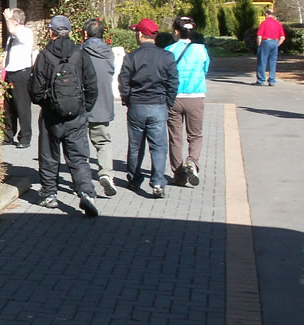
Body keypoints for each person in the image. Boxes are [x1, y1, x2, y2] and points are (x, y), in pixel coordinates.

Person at [29, 15, 99, 216]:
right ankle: (86, 192)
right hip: (76, 115)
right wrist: (83, 107)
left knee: (49, 156)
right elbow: (92, 85)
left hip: (51, 116)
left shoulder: (44, 56)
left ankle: (49, 194)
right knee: (78, 157)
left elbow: (35, 90)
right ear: (69, 32)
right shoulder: (80, 54)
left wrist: (47, 104)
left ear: (51, 32)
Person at [118, 18, 178, 199]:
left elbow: (124, 82)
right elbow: (173, 82)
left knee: (135, 146)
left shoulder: (131, 57)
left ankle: (134, 179)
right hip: (158, 105)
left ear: (139, 34)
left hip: (137, 105)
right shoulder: (167, 56)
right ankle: (158, 181)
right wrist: (168, 102)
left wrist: (127, 100)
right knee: (158, 146)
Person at [165, 16, 210, 187]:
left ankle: (179, 174)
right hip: (195, 96)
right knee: (195, 135)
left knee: (175, 137)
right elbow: (205, 69)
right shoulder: (201, 50)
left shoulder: (169, 50)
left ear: (176, 31)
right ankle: (192, 161)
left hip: (174, 97)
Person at [81, 18, 117, 196]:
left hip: (82, 102)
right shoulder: (109, 52)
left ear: (85, 34)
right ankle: (106, 173)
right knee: (103, 142)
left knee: (79, 143)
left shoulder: (80, 51)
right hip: (103, 103)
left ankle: (82, 179)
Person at [2, 8, 34, 148]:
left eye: (11, 20)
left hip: (21, 73)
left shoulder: (25, 32)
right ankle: (8, 135)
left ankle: (25, 138)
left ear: (17, 21)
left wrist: (7, 18)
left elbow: (12, 30)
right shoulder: (12, 35)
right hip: (10, 72)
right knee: (8, 107)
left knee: (22, 106)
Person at [255, 8, 285, 86]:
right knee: (272, 62)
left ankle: (261, 80)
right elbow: (282, 37)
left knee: (262, 61)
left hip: (265, 42)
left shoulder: (264, 23)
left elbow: (259, 36)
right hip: (274, 42)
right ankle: (272, 80)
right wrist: (277, 45)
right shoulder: (278, 24)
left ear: (267, 14)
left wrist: (259, 45)